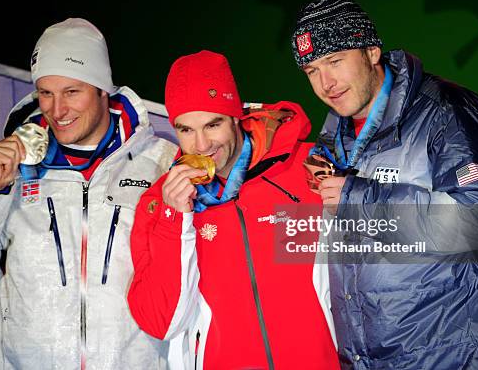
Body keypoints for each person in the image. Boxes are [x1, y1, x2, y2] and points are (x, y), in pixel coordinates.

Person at [291, 0, 478, 369]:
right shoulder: (334, 140)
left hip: (454, 357)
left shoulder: (445, 111)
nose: (325, 83)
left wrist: (359, 199)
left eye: (334, 61)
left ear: (370, 52)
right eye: (311, 70)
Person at [0, 18, 177, 369]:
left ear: (102, 89)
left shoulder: (161, 164)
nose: (57, 110)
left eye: (71, 92)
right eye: (45, 93)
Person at [127, 50, 339, 369]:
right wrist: (175, 220)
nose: (201, 145)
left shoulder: (308, 167)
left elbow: (407, 253)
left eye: (213, 125)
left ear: (236, 116)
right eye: (185, 129)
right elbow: (161, 322)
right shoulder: (162, 203)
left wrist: (357, 207)